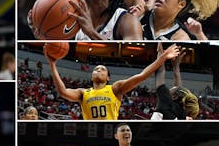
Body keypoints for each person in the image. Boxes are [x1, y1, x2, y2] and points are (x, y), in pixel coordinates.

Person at [44, 43, 180, 120]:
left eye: (102, 69)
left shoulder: (115, 89)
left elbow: (142, 75)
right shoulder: (83, 93)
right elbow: (62, 92)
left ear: (108, 78)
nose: (98, 70)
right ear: (91, 76)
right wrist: (52, 64)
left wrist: (163, 58)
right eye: (96, 69)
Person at [151, 43, 199, 120]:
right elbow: (179, 90)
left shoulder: (166, 104)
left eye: (173, 88)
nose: (172, 87)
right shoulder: (180, 114)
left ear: (174, 97)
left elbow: (160, 73)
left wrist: (161, 54)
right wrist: (176, 67)